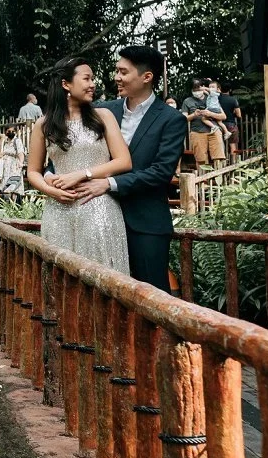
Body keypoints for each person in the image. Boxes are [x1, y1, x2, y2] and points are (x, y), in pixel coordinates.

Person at [70, 45, 188, 292]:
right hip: (98, 219)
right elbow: (73, 148)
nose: (116, 77)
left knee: (151, 298)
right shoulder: (102, 111)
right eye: (116, 70)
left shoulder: (171, 119)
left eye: (123, 72)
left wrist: (109, 183)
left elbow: (161, 172)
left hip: (146, 225)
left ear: (147, 77)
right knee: (101, 293)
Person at [28, 57, 133, 272]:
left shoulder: (103, 116)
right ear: (66, 84)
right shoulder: (44, 125)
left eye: (93, 78)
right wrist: (50, 191)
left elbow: (124, 161)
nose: (93, 84)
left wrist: (82, 174)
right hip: (58, 210)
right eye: (87, 78)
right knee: (60, 278)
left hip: (98, 207)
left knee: (103, 276)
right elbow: (33, 171)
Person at [180, 78, 226, 168]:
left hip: (214, 130)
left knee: (218, 157)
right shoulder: (187, 101)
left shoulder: (211, 97)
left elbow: (223, 116)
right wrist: (194, 114)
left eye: (198, 88)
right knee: (201, 160)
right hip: (197, 132)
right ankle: (203, 181)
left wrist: (210, 114)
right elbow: (183, 119)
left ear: (203, 87)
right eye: (194, 89)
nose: (197, 91)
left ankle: (219, 179)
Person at [0, 125, 26, 201]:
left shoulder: (17, 141)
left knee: (14, 186)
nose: (10, 132)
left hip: (14, 166)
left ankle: (14, 205)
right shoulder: (5, 142)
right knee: (6, 186)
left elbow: (20, 153)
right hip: (6, 167)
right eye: (8, 131)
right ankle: (8, 205)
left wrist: (21, 163)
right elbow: (0, 153)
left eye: (12, 131)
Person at [214, 80, 243, 156]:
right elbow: (239, 115)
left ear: (220, 89)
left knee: (219, 145)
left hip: (218, 123)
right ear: (230, 90)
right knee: (233, 145)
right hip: (231, 124)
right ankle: (233, 163)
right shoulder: (233, 100)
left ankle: (220, 164)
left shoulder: (217, 98)